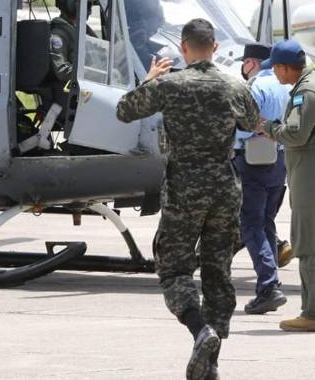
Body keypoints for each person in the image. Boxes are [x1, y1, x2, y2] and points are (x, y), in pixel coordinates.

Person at [116, 19, 260, 380]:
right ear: (213, 46)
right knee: (218, 273)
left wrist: (150, 79)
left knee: (174, 269)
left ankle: (201, 332)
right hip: (224, 187)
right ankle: (210, 364)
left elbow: (124, 110)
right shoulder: (234, 84)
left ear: (183, 48)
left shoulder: (170, 84)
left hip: (184, 186)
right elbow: (253, 123)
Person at [260, 39, 315, 332]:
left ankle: (312, 313)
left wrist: (267, 127)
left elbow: (295, 134)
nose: (276, 76)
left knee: (307, 245)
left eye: (276, 69)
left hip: (309, 178)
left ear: (284, 68)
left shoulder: (304, 93)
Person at [233, 43, 290, 315]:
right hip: (279, 162)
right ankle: (272, 281)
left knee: (252, 224)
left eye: (244, 62)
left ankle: (268, 286)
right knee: (267, 222)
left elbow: (244, 128)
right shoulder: (287, 87)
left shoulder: (255, 87)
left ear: (252, 63)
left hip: (253, 161)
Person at [126, 0, 166, 71]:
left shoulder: (126, 36)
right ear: (143, 20)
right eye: (160, 18)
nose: (162, 23)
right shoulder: (135, 42)